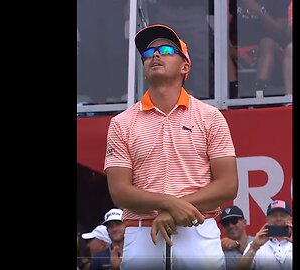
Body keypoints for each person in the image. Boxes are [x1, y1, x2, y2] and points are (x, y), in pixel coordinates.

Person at [104, 24, 238, 270]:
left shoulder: (211, 117)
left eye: (165, 49)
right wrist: (170, 204)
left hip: (198, 229)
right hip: (142, 232)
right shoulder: (121, 123)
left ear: (185, 66)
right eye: (147, 53)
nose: (154, 55)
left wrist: (174, 208)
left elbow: (228, 186)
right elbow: (119, 191)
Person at [228, 0, 290, 97]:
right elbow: (224, 22)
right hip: (238, 50)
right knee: (222, 48)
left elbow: (280, 32)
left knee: (267, 42)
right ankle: (232, 93)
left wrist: (258, 10)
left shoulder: (279, 2)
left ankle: (260, 89)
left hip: (270, 51)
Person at [236, 200, 293, 270]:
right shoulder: (256, 244)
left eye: (283, 215)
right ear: (267, 219)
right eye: (274, 216)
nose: (278, 219)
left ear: (290, 219)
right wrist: (254, 247)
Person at [219, 205, 254, 270]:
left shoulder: (257, 242)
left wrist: (237, 246)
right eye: (225, 223)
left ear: (244, 222)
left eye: (234, 221)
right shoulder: (219, 249)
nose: (230, 226)